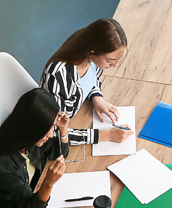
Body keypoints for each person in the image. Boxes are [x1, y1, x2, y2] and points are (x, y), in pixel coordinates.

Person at [0, 87, 70, 208]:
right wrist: (48, 183)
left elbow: (59, 152)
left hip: (31, 199)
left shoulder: (27, 140)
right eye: (48, 128)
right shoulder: (3, 166)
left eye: (52, 126)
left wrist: (62, 128)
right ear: (32, 128)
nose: (51, 134)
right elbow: (32, 207)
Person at [39, 18, 132, 147]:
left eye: (117, 59)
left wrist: (97, 98)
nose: (115, 65)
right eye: (109, 60)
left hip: (77, 119)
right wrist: (106, 135)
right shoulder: (58, 76)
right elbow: (53, 131)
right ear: (92, 52)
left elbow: (91, 79)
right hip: (49, 143)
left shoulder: (92, 58)